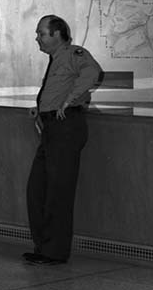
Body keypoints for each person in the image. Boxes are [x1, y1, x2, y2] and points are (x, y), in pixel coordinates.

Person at [23, 14, 102, 266]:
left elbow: (93, 73)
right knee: (37, 189)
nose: (37, 38)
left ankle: (54, 252)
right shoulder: (56, 59)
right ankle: (43, 246)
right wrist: (42, 109)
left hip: (66, 129)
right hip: (51, 130)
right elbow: (56, 89)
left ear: (57, 34)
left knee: (57, 192)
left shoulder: (73, 53)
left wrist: (71, 100)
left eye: (41, 33)